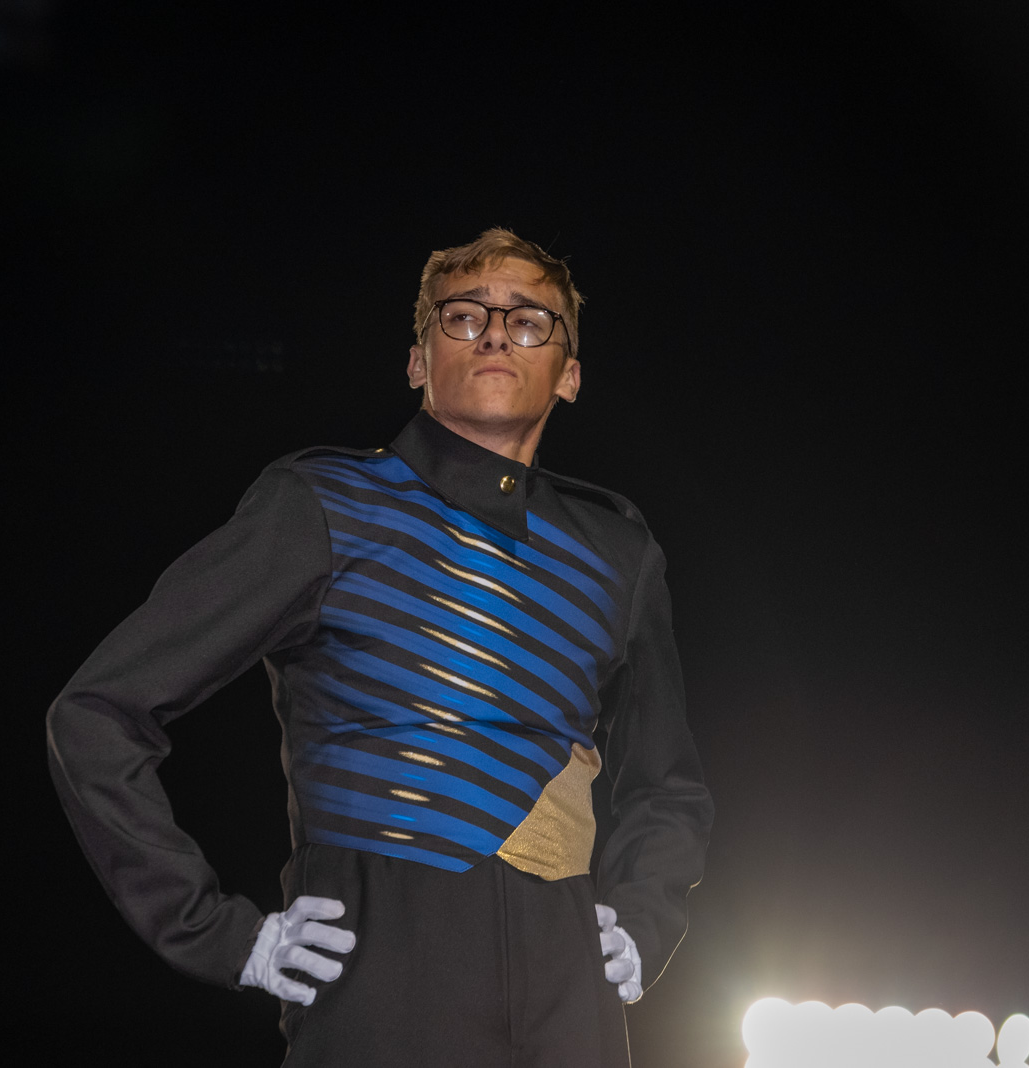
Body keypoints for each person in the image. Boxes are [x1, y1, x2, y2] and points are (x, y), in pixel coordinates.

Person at [46, 228, 714, 1067]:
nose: (496, 335)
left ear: (569, 374)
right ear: (417, 362)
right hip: (382, 987)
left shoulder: (617, 549)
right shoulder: (323, 505)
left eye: (529, 321)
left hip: (572, 1007)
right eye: (464, 317)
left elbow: (668, 783)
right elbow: (97, 713)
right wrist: (217, 933)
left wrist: (647, 920)